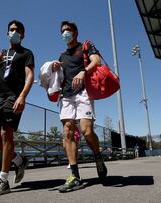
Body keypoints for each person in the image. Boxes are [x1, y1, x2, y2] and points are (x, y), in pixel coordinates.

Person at [52, 21, 107, 193]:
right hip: (66, 96)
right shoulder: (62, 55)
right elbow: (59, 77)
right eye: (62, 31)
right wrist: (54, 68)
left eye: (67, 30)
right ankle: (74, 175)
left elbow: (96, 61)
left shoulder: (86, 45)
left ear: (75, 32)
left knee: (86, 130)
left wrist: (84, 71)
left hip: (83, 93)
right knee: (67, 131)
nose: (65, 33)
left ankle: (98, 156)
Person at [0, 20, 35, 198]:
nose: (14, 32)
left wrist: (22, 96)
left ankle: (3, 180)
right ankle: (19, 160)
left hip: (13, 96)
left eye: (18, 30)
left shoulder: (26, 53)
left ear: (23, 34)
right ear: (7, 33)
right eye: (11, 30)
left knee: (6, 134)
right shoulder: (2, 54)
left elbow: (29, 76)